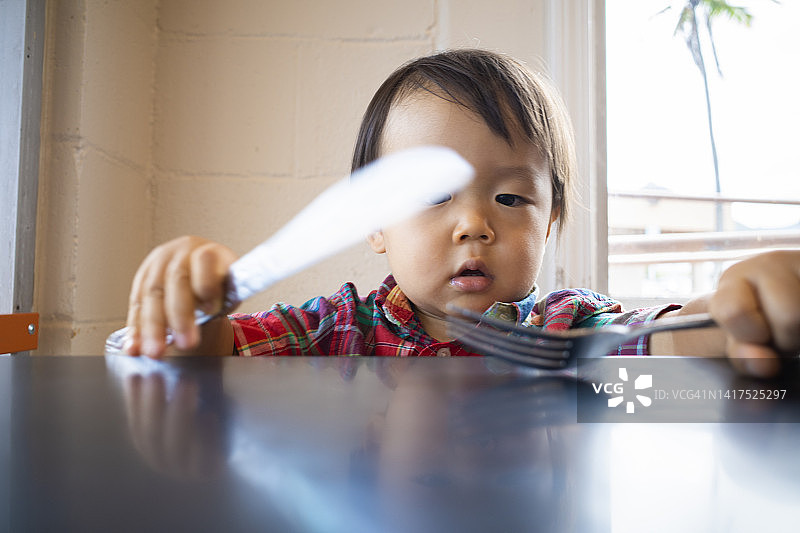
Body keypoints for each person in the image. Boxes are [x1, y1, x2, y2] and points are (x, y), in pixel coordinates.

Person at [122, 49, 800, 377]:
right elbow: (213, 357)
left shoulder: (564, 328)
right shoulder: (335, 329)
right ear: (377, 222)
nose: (475, 223)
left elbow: (662, 341)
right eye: (431, 195)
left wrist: (735, 307)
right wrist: (192, 312)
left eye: (510, 198)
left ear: (551, 219)